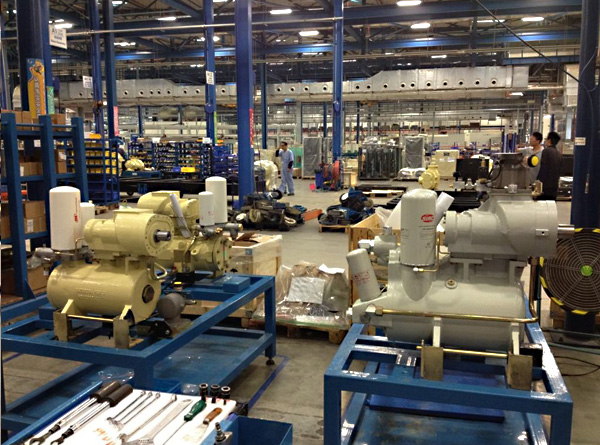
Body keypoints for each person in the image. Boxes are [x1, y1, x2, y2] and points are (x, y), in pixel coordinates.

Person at [536, 131, 563, 200]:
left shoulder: (546, 151)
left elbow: (543, 168)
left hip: (545, 187)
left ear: (549, 140)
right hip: (554, 187)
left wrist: (538, 182)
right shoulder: (559, 154)